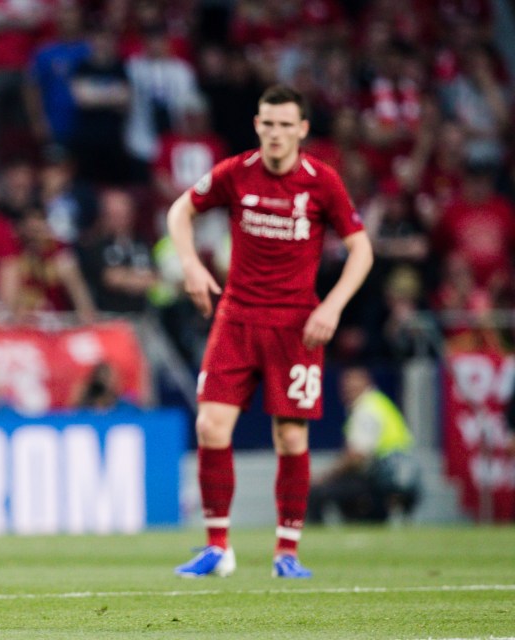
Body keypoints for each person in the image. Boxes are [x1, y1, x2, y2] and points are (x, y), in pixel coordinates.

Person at [166, 85, 373, 579]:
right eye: (267, 123)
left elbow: (361, 250)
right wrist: (191, 266)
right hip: (236, 317)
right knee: (210, 426)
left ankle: (287, 552)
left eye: (285, 125)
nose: (275, 133)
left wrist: (334, 307)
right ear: (257, 125)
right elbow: (180, 211)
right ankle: (218, 547)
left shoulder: (322, 182)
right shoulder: (236, 172)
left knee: (291, 437)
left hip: (296, 325)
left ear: (302, 129)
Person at [308, 367, 421, 524]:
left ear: (366, 384)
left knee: (316, 491)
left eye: (352, 387)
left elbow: (357, 456)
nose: (347, 392)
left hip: (381, 477)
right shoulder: (379, 402)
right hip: (402, 474)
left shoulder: (366, 409)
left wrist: (325, 476)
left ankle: (315, 535)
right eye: (345, 387)